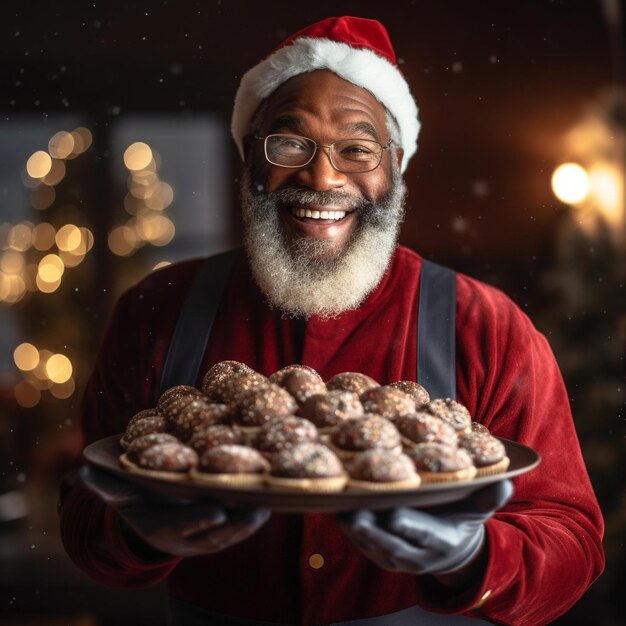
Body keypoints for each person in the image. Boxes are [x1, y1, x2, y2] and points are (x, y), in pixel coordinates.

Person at [59, 16, 604, 626]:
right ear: (249, 154)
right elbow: (84, 520)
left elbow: (573, 543)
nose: (322, 177)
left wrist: (476, 558)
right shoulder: (155, 310)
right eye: (289, 143)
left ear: (396, 165)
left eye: (357, 148)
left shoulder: (489, 327)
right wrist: (137, 533)